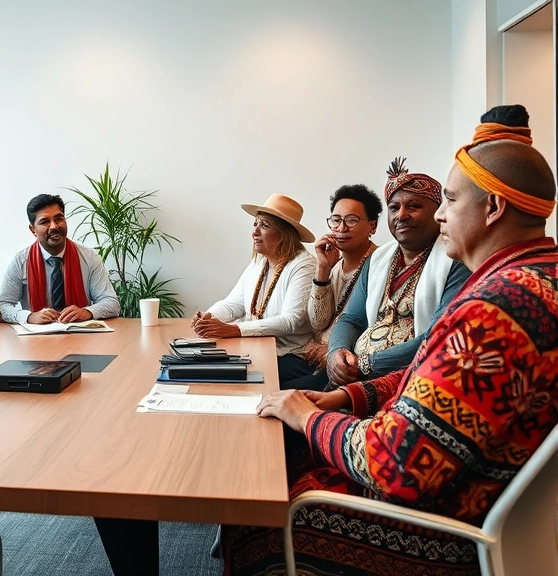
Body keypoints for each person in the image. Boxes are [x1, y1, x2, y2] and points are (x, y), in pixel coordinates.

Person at [231, 105, 558, 576]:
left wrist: (307, 416)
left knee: (255, 515)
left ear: (493, 208)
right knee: (278, 444)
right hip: (466, 488)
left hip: (440, 529)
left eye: (447, 201)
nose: (441, 216)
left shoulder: (494, 310)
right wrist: (348, 395)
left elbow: (397, 465)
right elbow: (427, 371)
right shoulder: (532, 277)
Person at [320, 159, 470, 390]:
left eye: (414, 206)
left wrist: (367, 365)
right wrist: (336, 351)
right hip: (353, 377)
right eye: (394, 207)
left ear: (438, 212)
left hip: (408, 383)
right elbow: (352, 319)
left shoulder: (456, 262)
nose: (401, 214)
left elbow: (437, 337)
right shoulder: (378, 259)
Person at [193, 193, 317, 382]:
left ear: (285, 233)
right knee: (202, 365)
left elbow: (292, 320)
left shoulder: (304, 266)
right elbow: (234, 303)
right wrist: (209, 318)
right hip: (255, 348)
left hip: (289, 356)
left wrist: (235, 329)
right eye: (255, 224)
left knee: (222, 375)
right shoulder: (260, 261)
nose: (255, 232)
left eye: (265, 225)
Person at [284, 185, 381, 390]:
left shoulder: (381, 265)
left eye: (352, 220)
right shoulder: (334, 266)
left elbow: (375, 326)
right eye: (336, 220)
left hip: (345, 364)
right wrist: (323, 269)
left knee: (280, 393)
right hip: (315, 359)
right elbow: (318, 322)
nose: (341, 228)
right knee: (264, 374)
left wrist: (334, 347)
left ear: (372, 226)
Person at [0, 194, 120, 324]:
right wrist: (28, 317)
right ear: (33, 229)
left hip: (82, 336)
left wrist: (87, 312)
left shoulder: (89, 258)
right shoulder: (20, 261)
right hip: (36, 339)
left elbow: (111, 302)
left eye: (59, 219)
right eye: (45, 222)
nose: (54, 226)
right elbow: (2, 305)